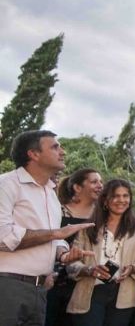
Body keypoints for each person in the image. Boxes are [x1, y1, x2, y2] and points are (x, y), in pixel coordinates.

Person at [0, 130, 94, 325]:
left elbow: (53, 237)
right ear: (33, 154)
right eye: (55, 147)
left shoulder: (50, 193)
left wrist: (63, 255)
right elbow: (4, 237)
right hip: (8, 286)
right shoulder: (6, 184)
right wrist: (55, 234)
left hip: (41, 289)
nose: (62, 151)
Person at [66, 179, 135, 325]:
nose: (121, 200)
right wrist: (89, 270)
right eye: (115, 196)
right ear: (105, 200)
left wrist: (133, 268)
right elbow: (72, 262)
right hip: (91, 291)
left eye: (125, 196)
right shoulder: (89, 227)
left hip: (123, 293)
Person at [47, 168, 104, 326]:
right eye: (94, 182)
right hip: (54, 281)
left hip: (85, 283)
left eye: (101, 182)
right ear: (77, 187)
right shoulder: (57, 211)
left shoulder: (102, 216)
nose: (100, 185)